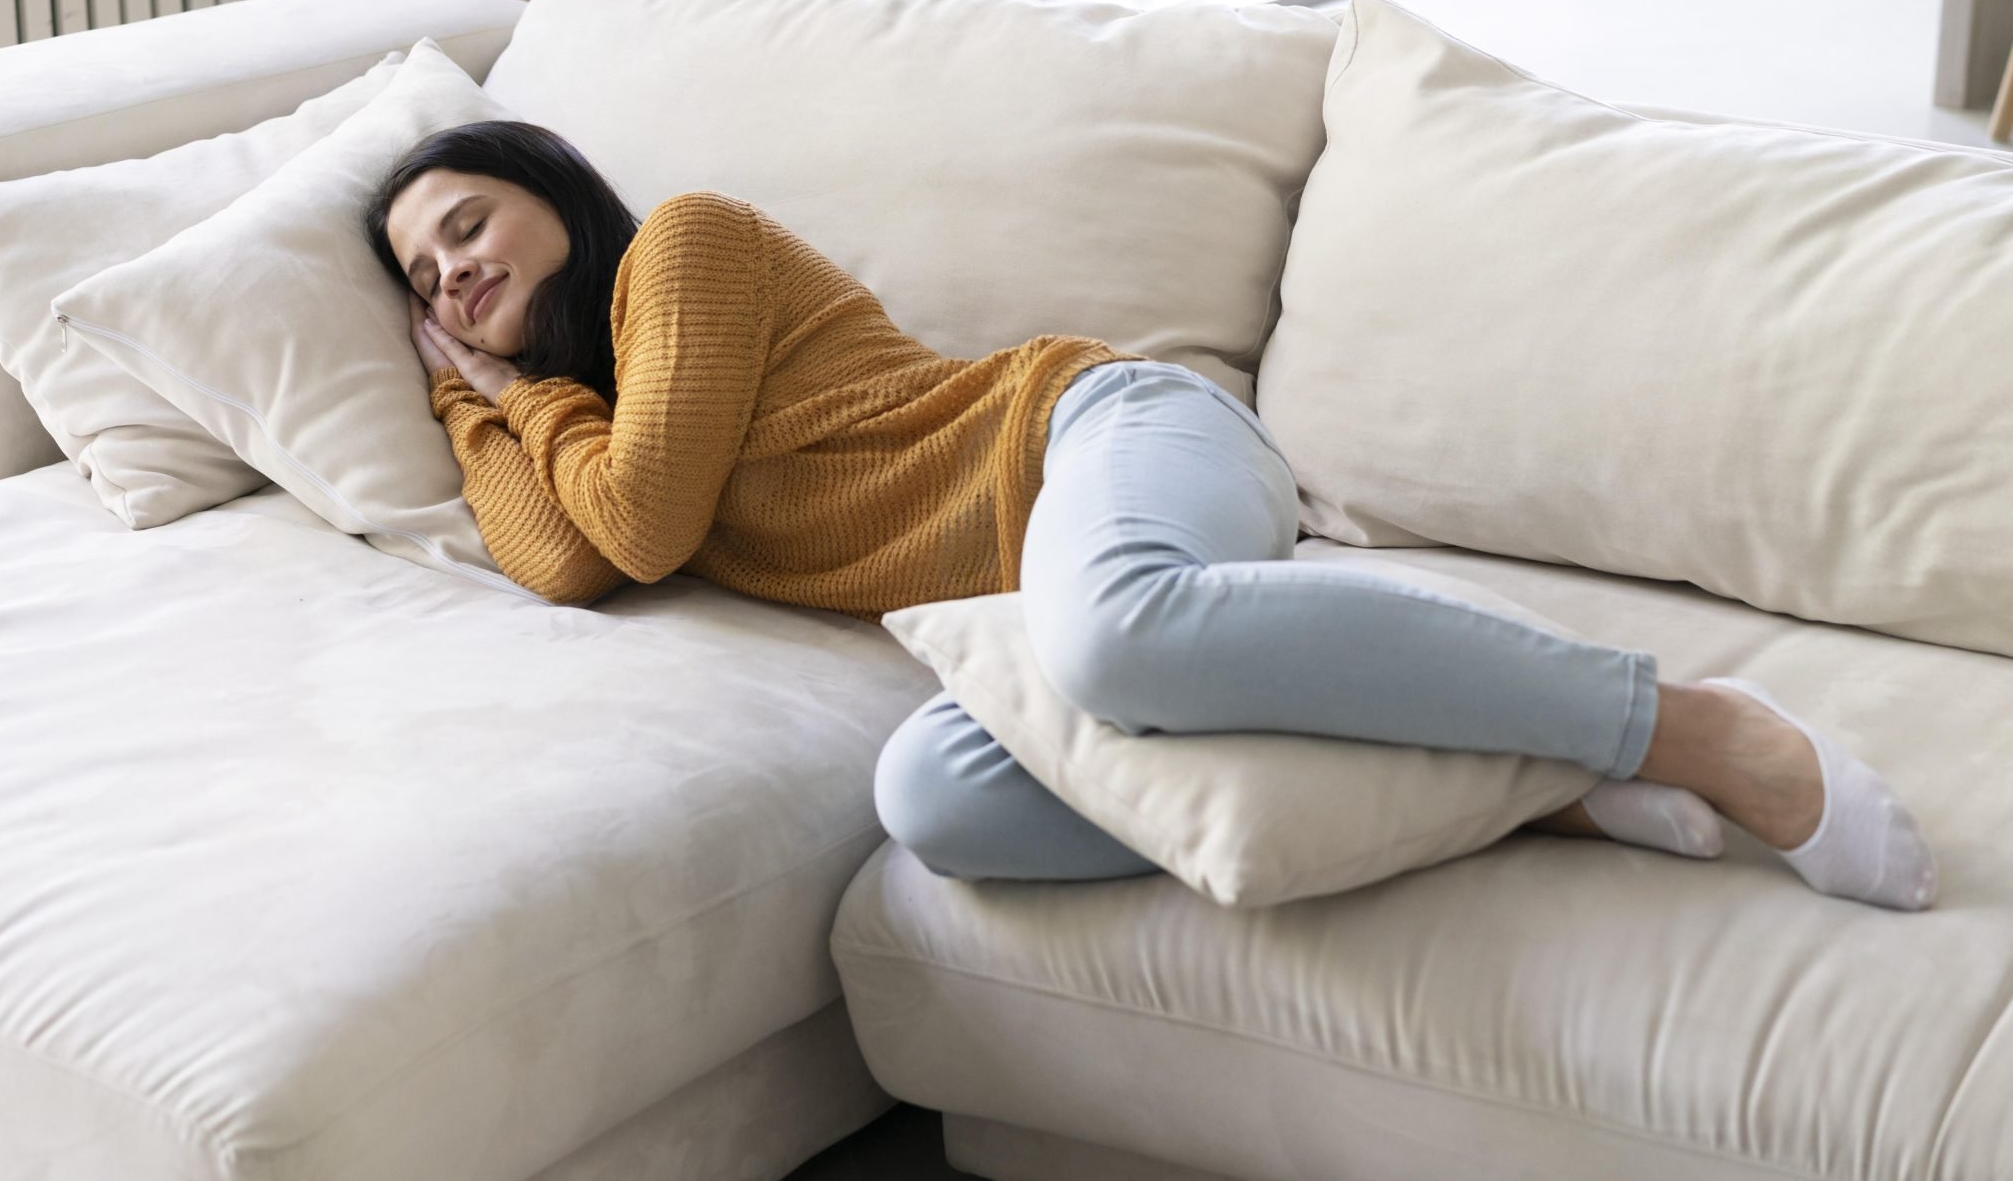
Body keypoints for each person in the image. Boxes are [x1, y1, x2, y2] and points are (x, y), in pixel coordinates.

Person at [366, 120, 1938, 913]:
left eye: (469, 223)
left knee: (1117, 631)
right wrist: (473, 393)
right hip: (1027, 619)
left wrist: (507, 394)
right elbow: (570, 555)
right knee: (937, 802)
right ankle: (1528, 785)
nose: (456, 273)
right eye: (426, 281)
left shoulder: (679, 254)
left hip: (1103, 439)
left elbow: (633, 526)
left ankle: (1694, 726)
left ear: (554, 190)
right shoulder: (572, 410)